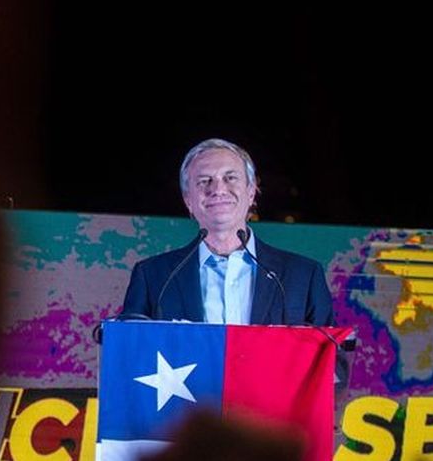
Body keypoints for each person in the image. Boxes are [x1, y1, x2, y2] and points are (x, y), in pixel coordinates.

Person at [121, 138, 335, 326]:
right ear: (188, 201)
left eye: (230, 178)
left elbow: (333, 360)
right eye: (205, 181)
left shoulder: (303, 276)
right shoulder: (153, 277)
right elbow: (129, 355)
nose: (218, 190)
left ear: (251, 193)